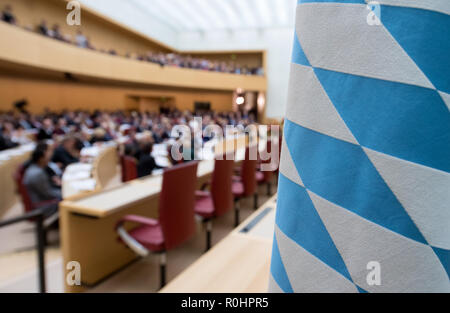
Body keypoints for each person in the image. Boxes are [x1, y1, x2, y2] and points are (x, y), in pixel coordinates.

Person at [23, 142, 62, 214]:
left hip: (43, 199)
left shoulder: (37, 167)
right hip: (44, 207)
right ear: (41, 158)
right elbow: (49, 194)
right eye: (48, 152)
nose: (51, 155)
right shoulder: (37, 173)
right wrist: (65, 193)